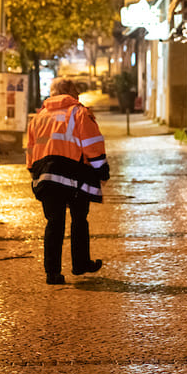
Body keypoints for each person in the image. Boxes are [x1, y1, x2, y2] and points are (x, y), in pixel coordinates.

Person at [26, 76, 110, 285]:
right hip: (74, 175)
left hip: (46, 175)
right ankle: (81, 264)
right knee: (79, 219)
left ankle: (52, 273)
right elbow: (92, 146)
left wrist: (33, 172)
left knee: (54, 222)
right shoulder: (79, 113)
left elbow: (30, 151)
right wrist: (103, 172)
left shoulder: (38, 117)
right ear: (73, 92)